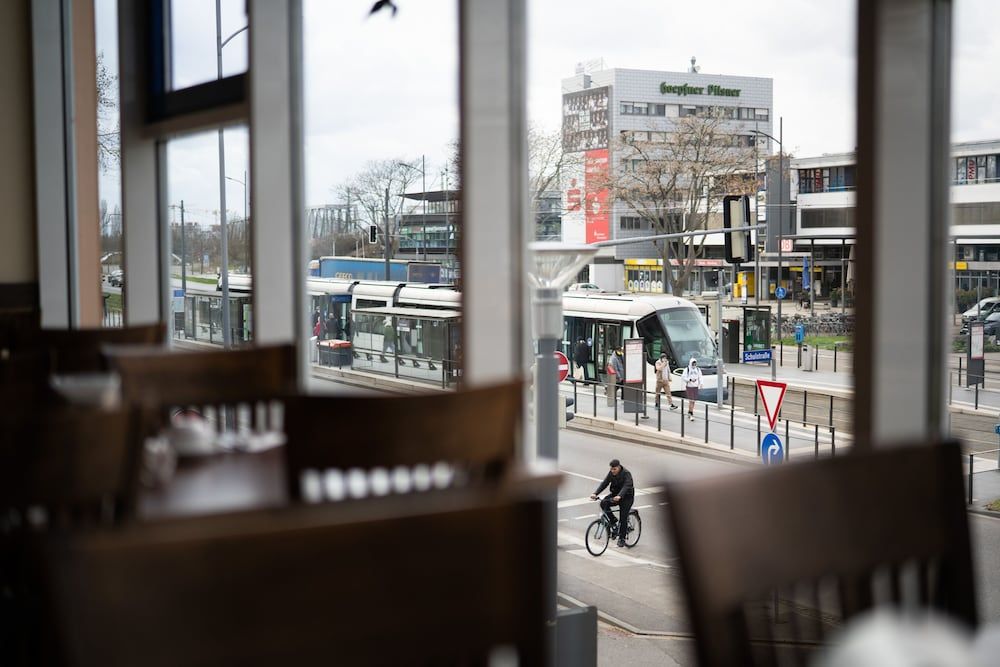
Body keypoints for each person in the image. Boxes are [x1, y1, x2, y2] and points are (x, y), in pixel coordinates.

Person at [589, 459, 635, 548]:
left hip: (626, 497)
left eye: (614, 469)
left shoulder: (626, 474)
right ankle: (613, 520)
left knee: (623, 517)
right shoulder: (611, 473)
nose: (612, 471)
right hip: (615, 495)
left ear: (618, 467)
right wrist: (595, 493)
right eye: (611, 469)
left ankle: (622, 538)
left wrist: (620, 496)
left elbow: (627, 486)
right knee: (603, 503)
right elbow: (605, 483)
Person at [682, 357, 703, 421]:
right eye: (693, 364)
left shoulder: (698, 369)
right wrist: (689, 380)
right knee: (691, 400)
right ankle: (691, 414)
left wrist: (701, 383)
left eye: (695, 364)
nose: (694, 365)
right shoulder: (687, 369)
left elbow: (700, 377)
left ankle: (689, 412)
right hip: (689, 387)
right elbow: (683, 377)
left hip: (695, 386)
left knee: (693, 401)